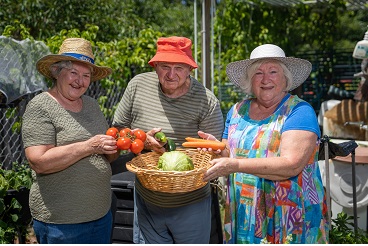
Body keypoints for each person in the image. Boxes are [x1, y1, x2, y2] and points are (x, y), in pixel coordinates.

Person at [202, 44, 329, 244]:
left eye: (273, 72)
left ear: (285, 78)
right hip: (245, 213)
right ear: (250, 81)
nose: (265, 79)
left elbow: (291, 164)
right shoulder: (237, 111)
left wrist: (235, 165)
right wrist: (217, 149)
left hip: (290, 215)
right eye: (258, 73)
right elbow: (228, 154)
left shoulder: (299, 111)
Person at [112, 36, 224, 244]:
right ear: (155, 66)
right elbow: (118, 131)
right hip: (148, 200)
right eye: (164, 66)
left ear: (190, 69)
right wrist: (143, 140)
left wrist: (211, 151)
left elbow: (215, 153)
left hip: (191, 204)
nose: (171, 75)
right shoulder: (137, 86)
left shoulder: (207, 101)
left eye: (179, 67)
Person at [21, 38, 119, 244]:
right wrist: (88, 146)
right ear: (57, 72)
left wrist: (122, 143)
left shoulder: (92, 105)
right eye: (74, 73)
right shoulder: (41, 107)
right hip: (63, 224)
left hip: (101, 214)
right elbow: (39, 161)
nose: (80, 81)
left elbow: (107, 157)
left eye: (86, 76)